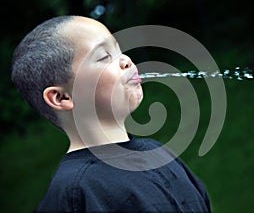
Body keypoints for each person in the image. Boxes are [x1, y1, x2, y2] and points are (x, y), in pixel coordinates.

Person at [11, 15, 212, 212]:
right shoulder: (77, 192)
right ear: (62, 98)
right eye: (104, 56)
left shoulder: (157, 153)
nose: (125, 60)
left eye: (119, 50)